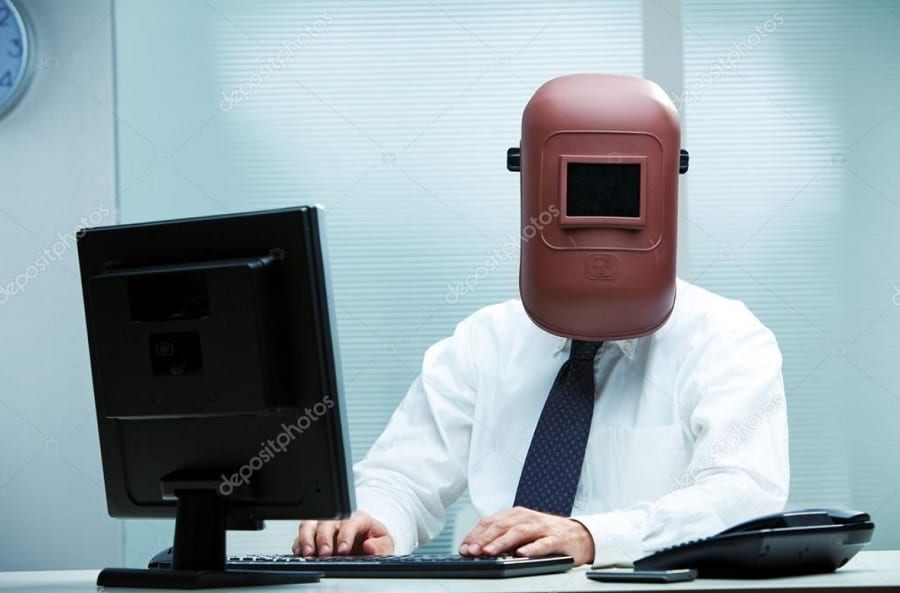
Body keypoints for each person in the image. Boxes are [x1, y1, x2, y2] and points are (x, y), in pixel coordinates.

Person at [293, 74, 789, 567]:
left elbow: (743, 495)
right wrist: (371, 518)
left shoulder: (727, 340)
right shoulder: (483, 343)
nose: (598, 226)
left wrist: (594, 536)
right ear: (528, 177)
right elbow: (401, 476)